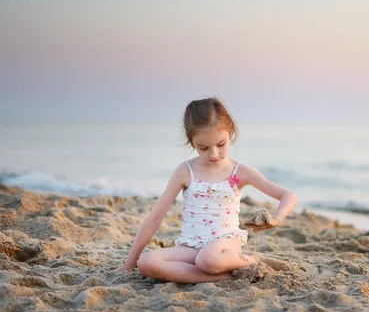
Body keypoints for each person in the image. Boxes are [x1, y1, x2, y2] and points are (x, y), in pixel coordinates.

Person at [117, 98, 297, 283]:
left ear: (231, 133)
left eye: (221, 144)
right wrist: (129, 263)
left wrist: (278, 217)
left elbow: (287, 195)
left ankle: (249, 261)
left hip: (225, 245)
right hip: (191, 246)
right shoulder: (185, 171)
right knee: (147, 262)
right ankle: (226, 277)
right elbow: (156, 217)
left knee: (208, 259)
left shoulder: (240, 171)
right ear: (192, 142)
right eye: (203, 148)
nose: (213, 154)